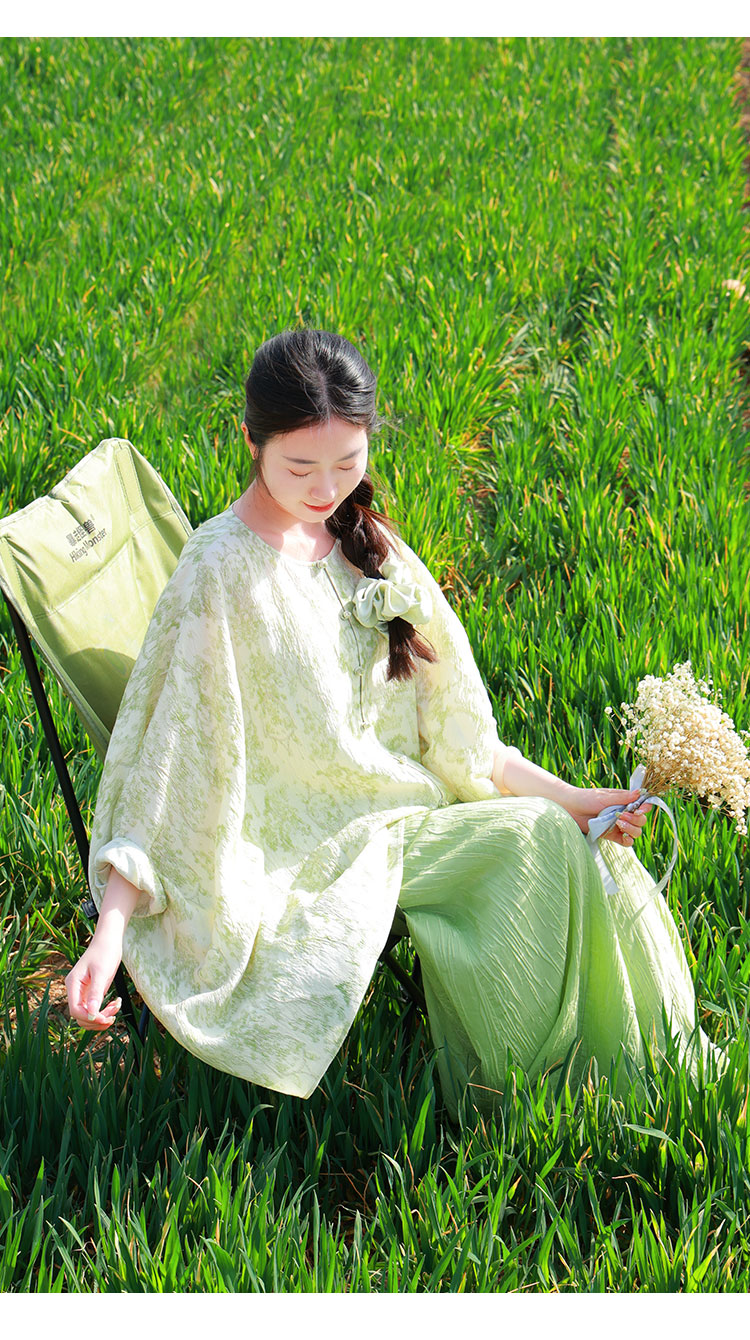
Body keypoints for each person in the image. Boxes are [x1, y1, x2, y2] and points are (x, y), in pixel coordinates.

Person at [65, 328, 718, 1122]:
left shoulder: (366, 542)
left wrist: (580, 800)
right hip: (310, 857)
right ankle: (529, 1098)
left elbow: (463, 736)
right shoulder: (219, 571)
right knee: (534, 839)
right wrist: (110, 933)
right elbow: (168, 766)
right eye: (300, 467)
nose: (325, 489)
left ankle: (657, 1070)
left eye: (348, 462)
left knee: (588, 846)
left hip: (405, 818)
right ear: (250, 441)